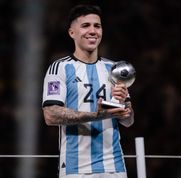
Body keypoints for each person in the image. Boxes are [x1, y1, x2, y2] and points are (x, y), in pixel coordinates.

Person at [42, 4, 134, 178]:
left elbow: (128, 121)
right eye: (85, 26)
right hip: (75, 168)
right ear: (72, 33)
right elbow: (51, 115)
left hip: (114, 165)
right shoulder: (60, 68)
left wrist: (124, 107)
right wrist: (96, 115)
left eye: (97, 26)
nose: (92, 31)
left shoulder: (114, 69)